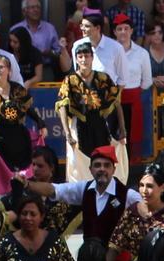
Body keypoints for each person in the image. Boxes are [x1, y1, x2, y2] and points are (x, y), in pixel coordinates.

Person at [0, 55, 42, 199]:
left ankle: (24, 200)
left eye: (2, 67)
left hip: (19, 138)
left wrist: (41, 124)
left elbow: (29, 109)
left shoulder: (18, 89)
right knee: (2, 177)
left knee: (22, 174)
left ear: (9, 70)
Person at [57, 40, 126, 184]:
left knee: (103, 158)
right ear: (76, 59)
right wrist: (68, 134)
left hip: (100, 124)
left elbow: (116, 102)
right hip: (79, 124)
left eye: (87, 56)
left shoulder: (103, 78)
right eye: (80, 56)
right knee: (79, 163)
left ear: (92, 58)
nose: (84, 60)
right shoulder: (70, 80)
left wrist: (122, 129)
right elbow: (62, 106)